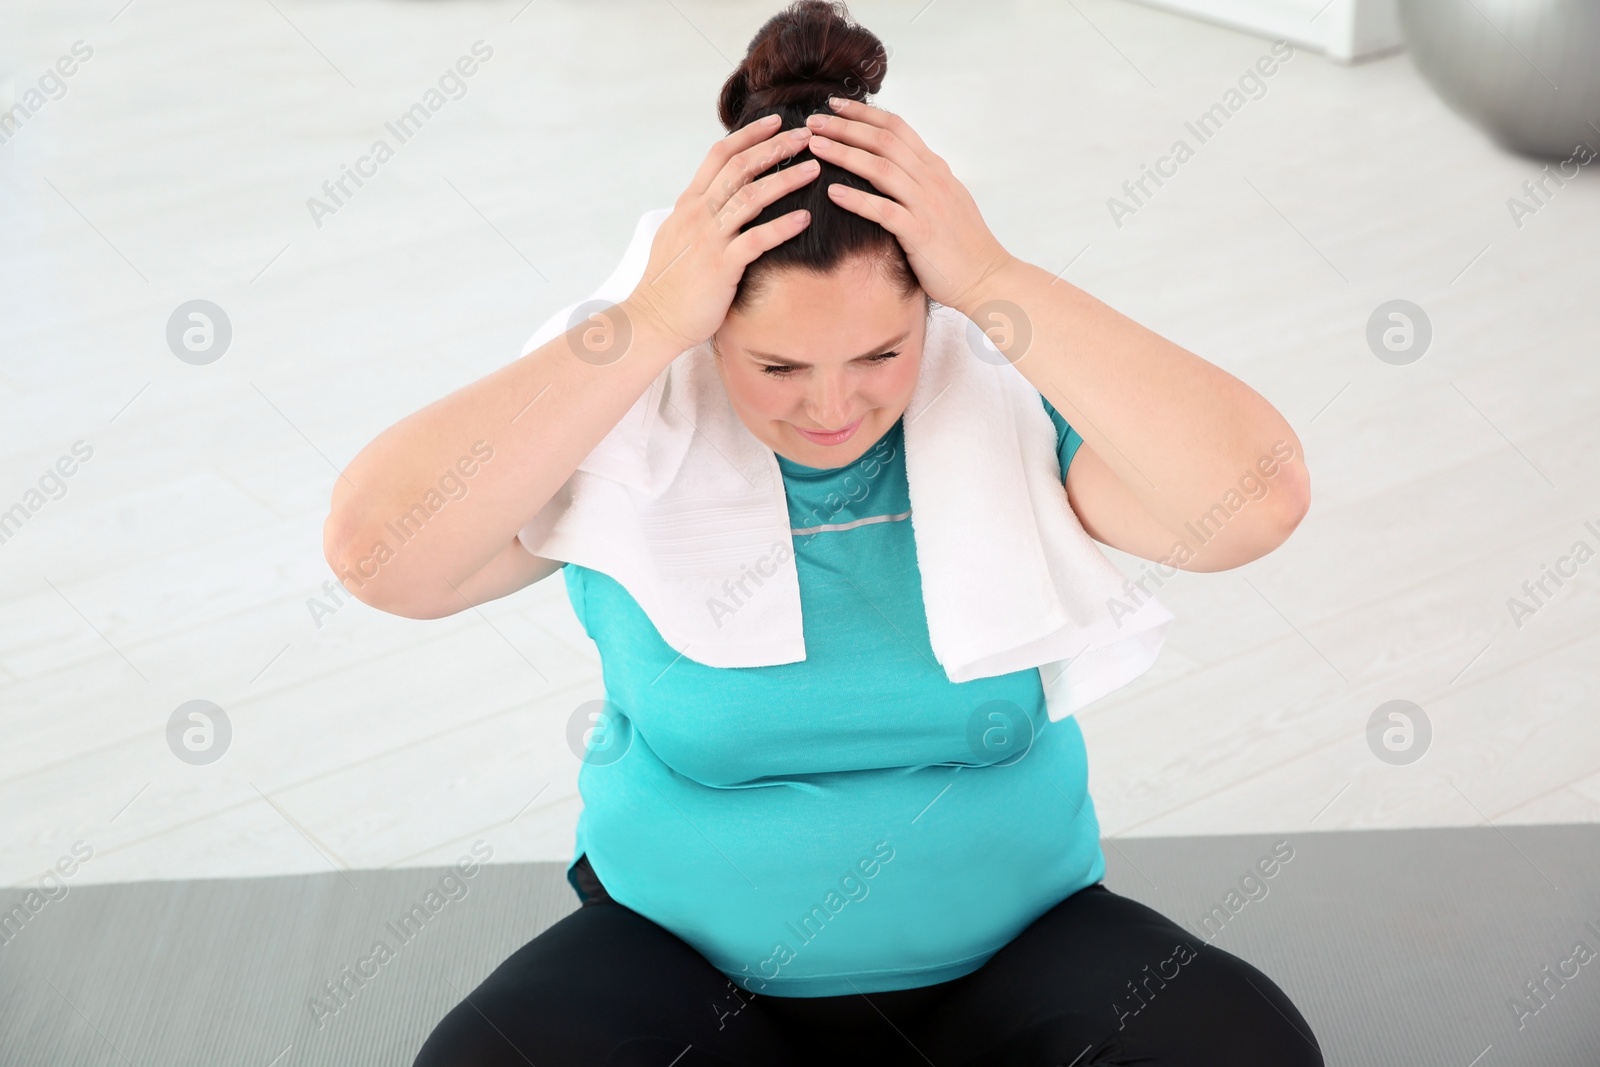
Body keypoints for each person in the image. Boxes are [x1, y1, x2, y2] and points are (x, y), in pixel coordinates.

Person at [325, 3, 1322, 1063]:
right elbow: (379, 554)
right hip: (683, 974)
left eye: (880, 354)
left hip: (1017, 959)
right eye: (779, 368)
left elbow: (1256, 499)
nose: (834, 408)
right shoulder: (631, 427)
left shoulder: (1002, 405)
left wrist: (991, 278)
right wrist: (650, 317)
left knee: (1243, 1047)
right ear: (712, 338)